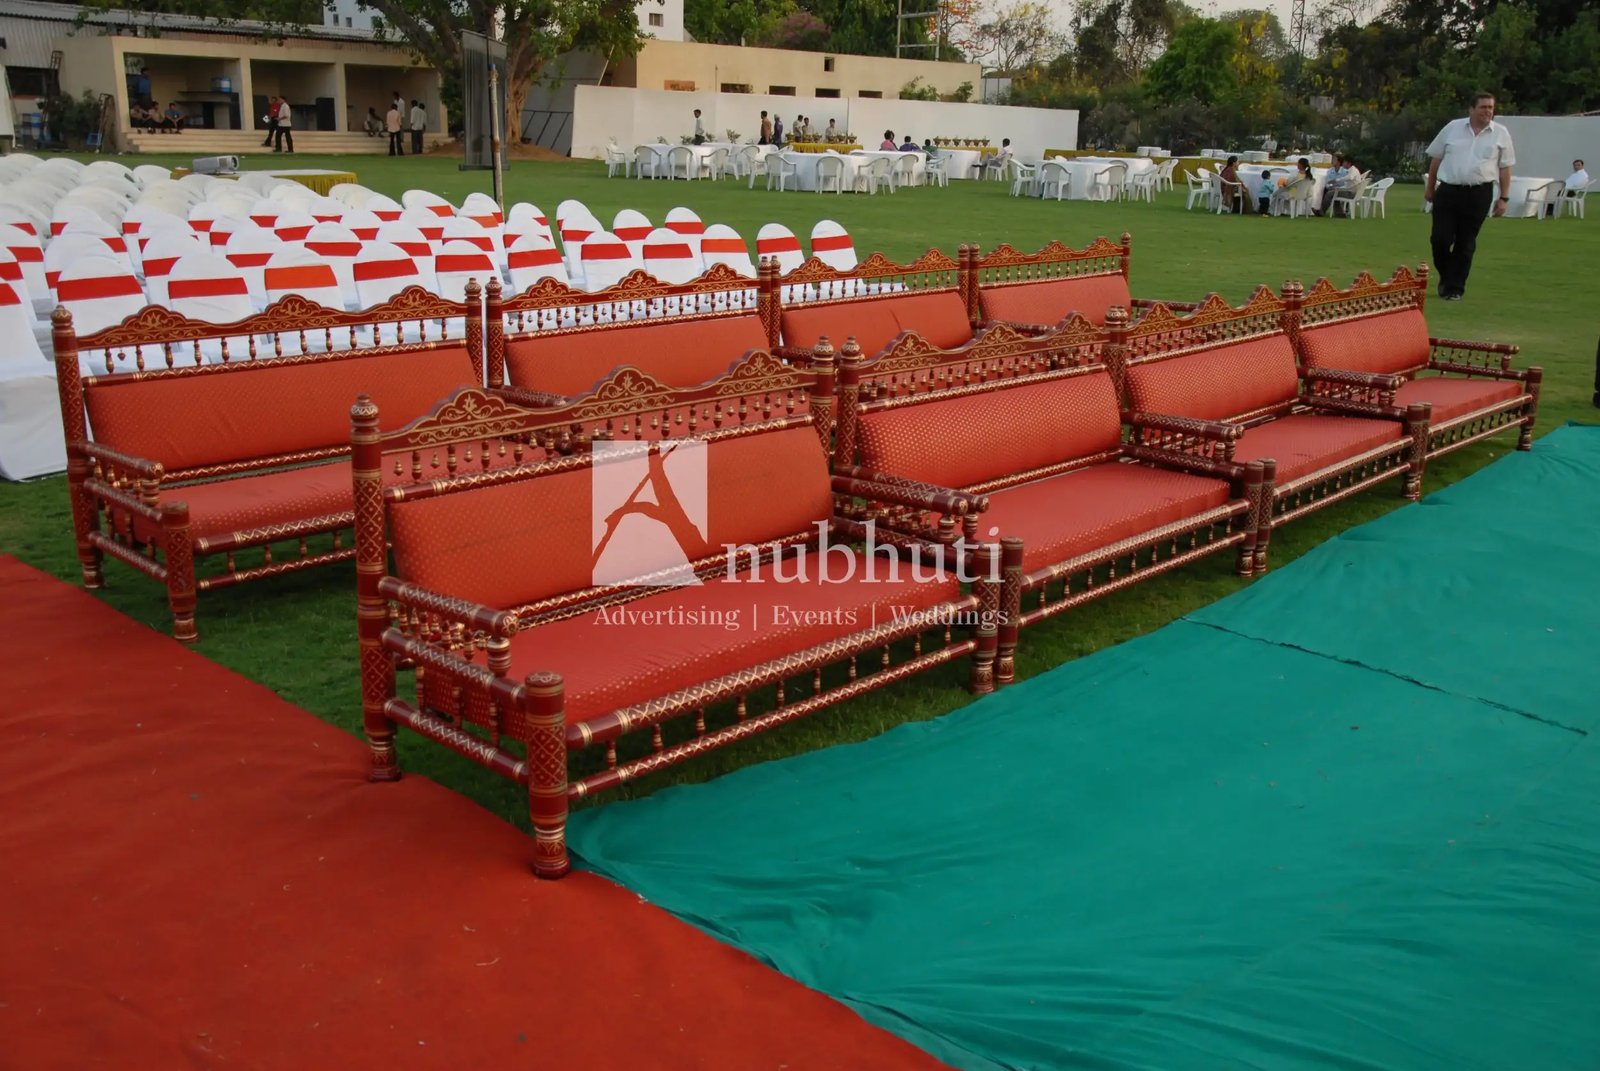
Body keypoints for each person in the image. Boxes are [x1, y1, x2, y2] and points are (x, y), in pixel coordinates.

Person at [1425, 91, 1515, 301]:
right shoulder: (1453, 128)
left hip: (1479, 193)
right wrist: (1430, 189)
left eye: (1491, 108)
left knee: (1466, 243)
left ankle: (1454, 288)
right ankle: (1447, 276)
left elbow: (1505, 168)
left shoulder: (1500, 133)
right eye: (1483, 107)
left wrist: (1504, 198)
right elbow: (1436, 160)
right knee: (1440, 239)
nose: (1488, 112)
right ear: (1471, 109)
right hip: (1448, 191)